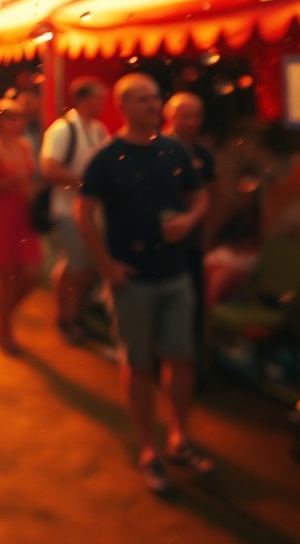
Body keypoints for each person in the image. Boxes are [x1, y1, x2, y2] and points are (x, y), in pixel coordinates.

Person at [77, 73, 211, 495]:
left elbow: (200, 195)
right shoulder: (106, 157)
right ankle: (149, 449)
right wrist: (108, 267)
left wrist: (189, 220)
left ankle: (180, 439)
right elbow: (84, 213)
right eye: (143, 100)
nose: (153, 106)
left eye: (156, 98)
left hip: (175, 274)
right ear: (123, 107)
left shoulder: (174, 150)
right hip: (132, 279)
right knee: (137, 364)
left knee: (182, 358)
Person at [40, 78, 110, 345]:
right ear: (84, 100)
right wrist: (85, 184)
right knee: (78, 263)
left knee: (83, 265)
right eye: (99, 99)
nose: (103, 104)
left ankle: (72, 313)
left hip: (91, 213)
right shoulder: (62, 130)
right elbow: (49, 169)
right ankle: (66, 318)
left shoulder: (99, 129)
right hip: (66, 210)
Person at [0, 99, 43, 355]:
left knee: (33, 273)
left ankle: (3, 318)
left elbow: (30, 179)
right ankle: (5, 329)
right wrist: (11, 180)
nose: (16, 123)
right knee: (8, 278)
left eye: (18, 117)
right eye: (9, 118)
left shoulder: (24, 146)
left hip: (22, 214)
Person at [163, 92, 217, 357]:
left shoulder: (203, 154)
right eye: (187, 116)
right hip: (164, 243)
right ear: (171, 117)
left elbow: (210, 195)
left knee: (193, 303)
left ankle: (190, 362)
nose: (194, 122)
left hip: (193, 242)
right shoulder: (159, 149)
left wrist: (206, 235)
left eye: (197, 116)